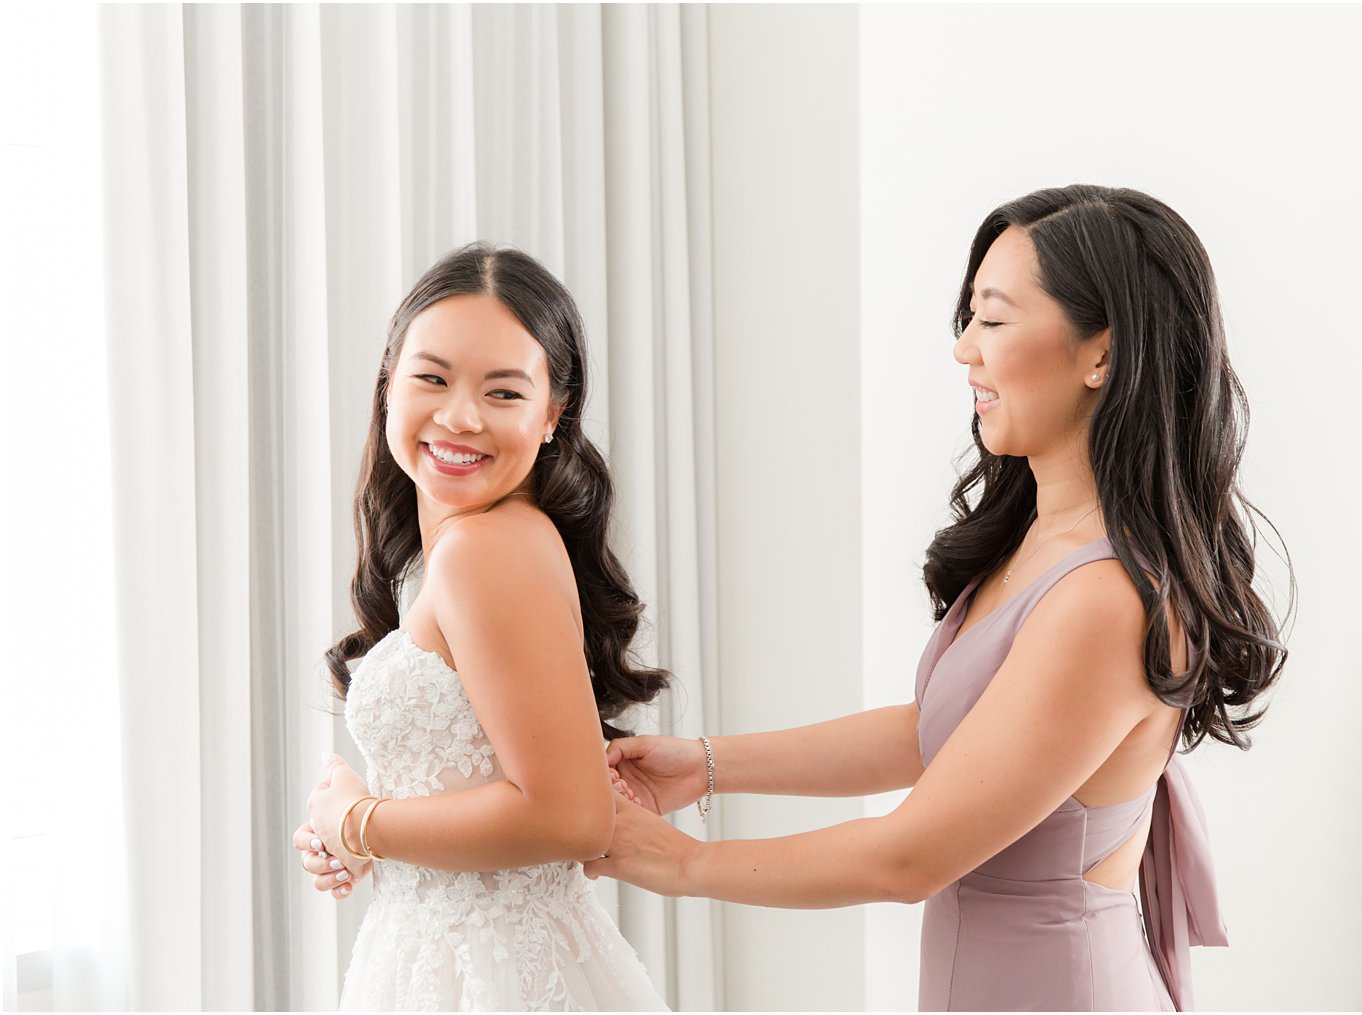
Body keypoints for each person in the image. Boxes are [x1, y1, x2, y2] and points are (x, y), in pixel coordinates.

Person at [590, 185, 1292, 1012]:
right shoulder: (1043, 539)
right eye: (968, 319)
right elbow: (943, 736)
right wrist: (708, 764)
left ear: (1102, 352)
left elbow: (909, 857)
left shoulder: (1106, 599)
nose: (965, 350)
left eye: (993, 321)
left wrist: (678, 863)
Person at [289, 244, 668, 1011]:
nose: (459, 415)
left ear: (552, 412)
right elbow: (490, 777)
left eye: (503, 391)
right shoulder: (468, 544)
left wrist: (361, 822)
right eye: (431, 377)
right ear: (388, 383)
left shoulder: (483, 547)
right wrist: (365, 819)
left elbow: (570, 813)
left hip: (491, 979)